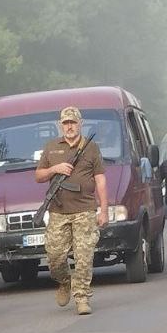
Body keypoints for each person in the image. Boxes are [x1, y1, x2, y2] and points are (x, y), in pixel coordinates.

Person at [34, 106, 107, 315]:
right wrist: (54, 169)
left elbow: (101, 180)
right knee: (55, 257)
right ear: (61, 125)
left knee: (84, 257)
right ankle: (65, 281)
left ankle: (82, 297)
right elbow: (38, 176)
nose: (69, 126)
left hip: (85, 210)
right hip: (58, 211)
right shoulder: (51, 147)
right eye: (66, 123)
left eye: (73, 122)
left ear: (80, 124)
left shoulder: (91, 147)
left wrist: (103, 210)